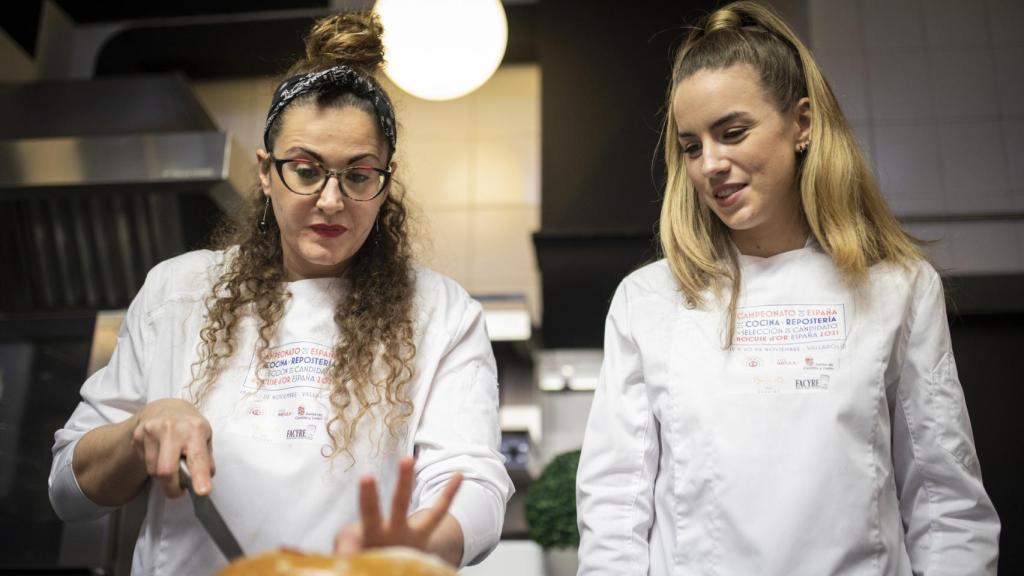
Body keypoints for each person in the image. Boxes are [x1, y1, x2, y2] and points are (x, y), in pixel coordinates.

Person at [48, 12, 512, 576]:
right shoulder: (178, 290)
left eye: (359, 174)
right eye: (306, 169)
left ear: (386, 181)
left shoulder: (440, 312)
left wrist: (424, 541)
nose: (331, 200)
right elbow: (69, 488)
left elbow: (474, 481)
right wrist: (138, 431)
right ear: (267, 172)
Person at [575, 2, 1000, 574]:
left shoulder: (897, 288)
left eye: (732, 132)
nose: (710, 164)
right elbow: (614, 512)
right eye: (692, 146)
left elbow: (945, 503)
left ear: (801, 124)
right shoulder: (647, 300)